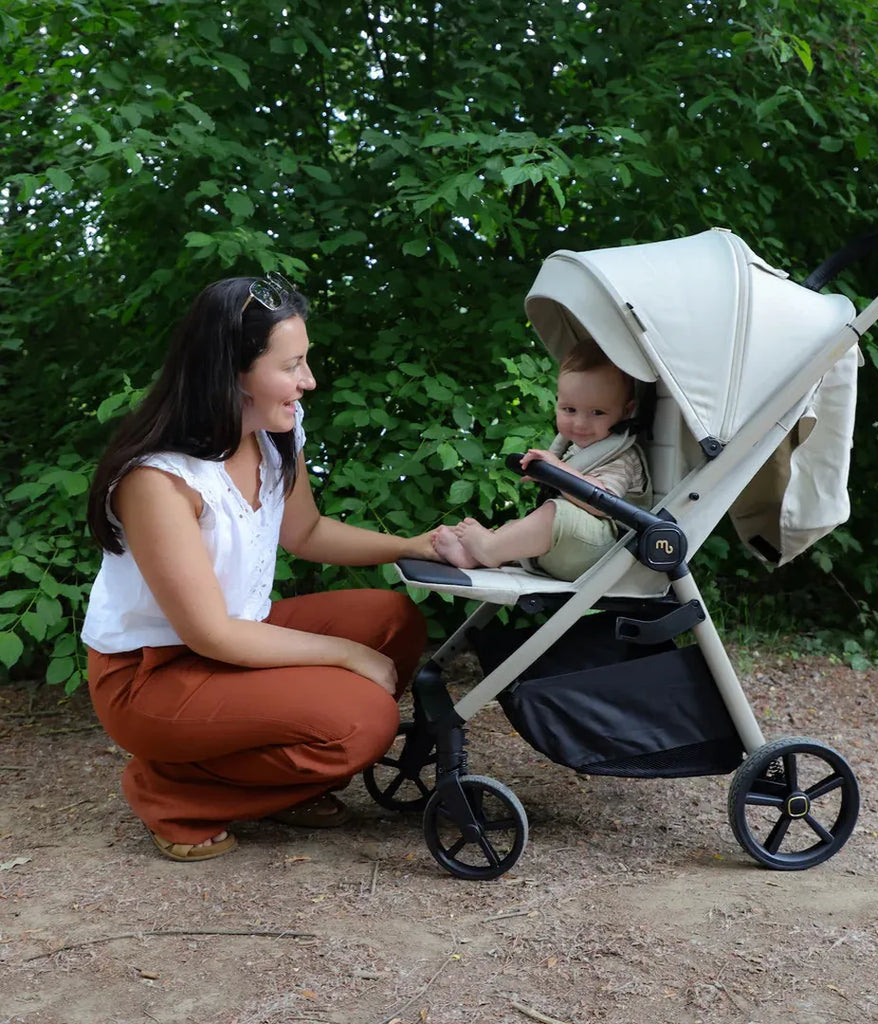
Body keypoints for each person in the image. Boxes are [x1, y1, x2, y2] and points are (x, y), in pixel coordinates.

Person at [82, 273, 437, 862]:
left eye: (306, 361)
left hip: (234, 641)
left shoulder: (273, 432)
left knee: (393, 618)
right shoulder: (159, 480)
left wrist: (414, 545)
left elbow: (308, 532)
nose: (308, 381)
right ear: (233, 372)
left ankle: (277, 787)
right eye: (291, 365)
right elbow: (211, 634)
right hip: (149, 676)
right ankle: (173, 791)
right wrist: (350, 656)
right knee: (363, 722)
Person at [432, 338, 651, 581]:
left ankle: (490, 549)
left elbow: (603, 502)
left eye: (597, 412)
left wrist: (557, 470)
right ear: (557, 401)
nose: (579, 423)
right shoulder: (578, 447)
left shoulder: (622, 457)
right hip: (569, 548)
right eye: (569, 410)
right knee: (524, 523)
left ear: (627, 410)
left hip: (607, 552)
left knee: (553, 513)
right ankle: (481, 552)